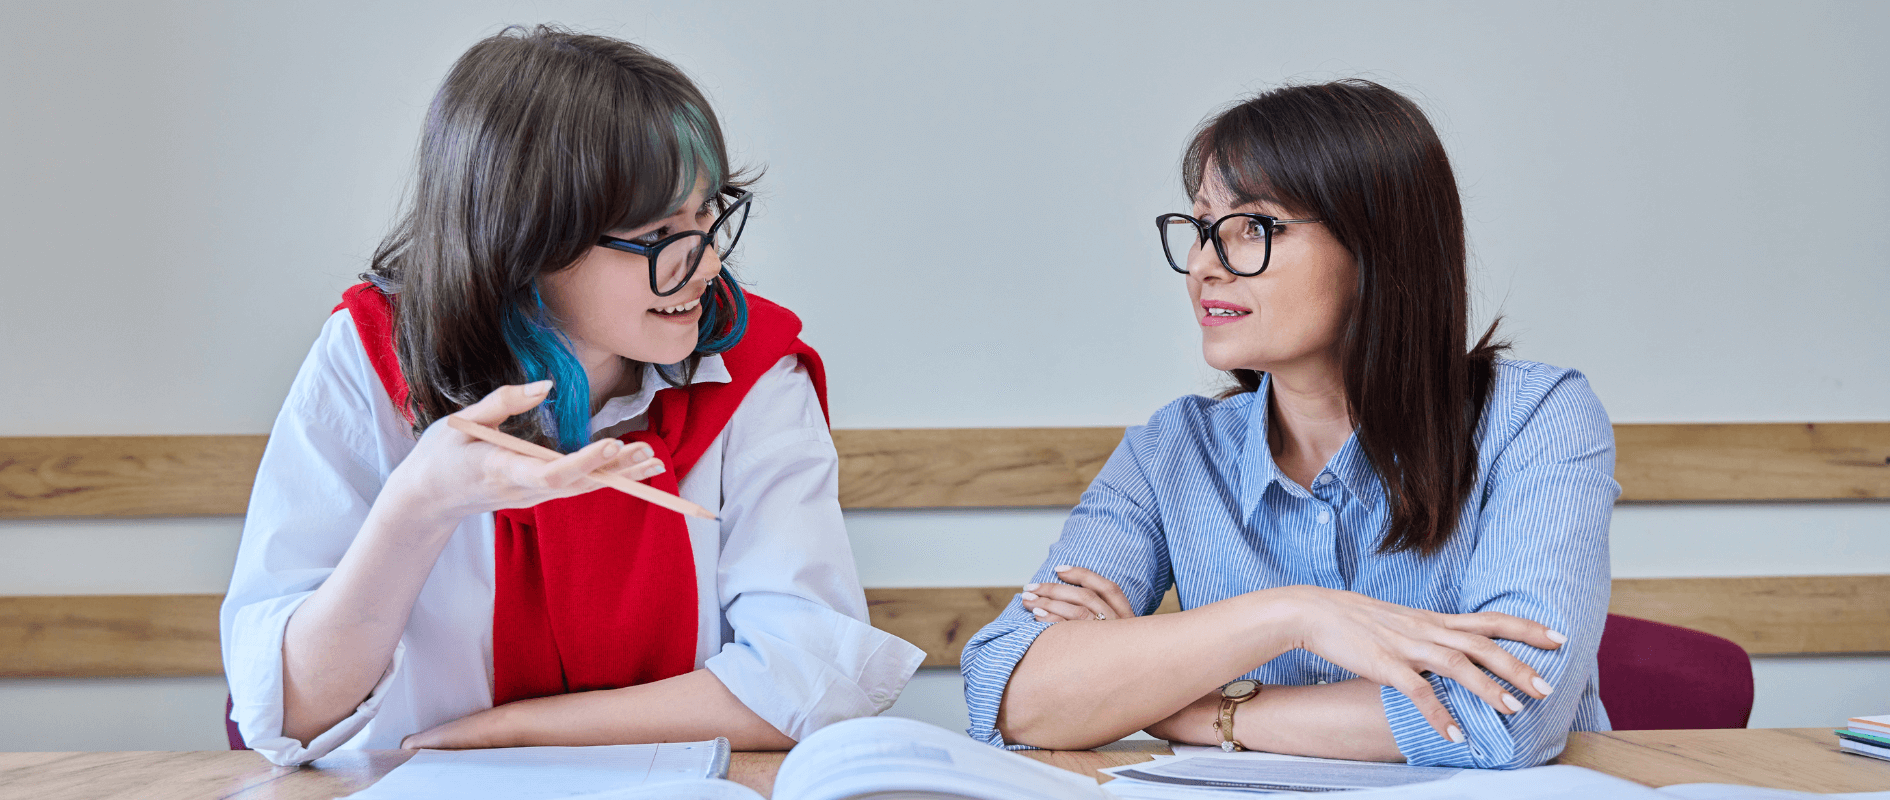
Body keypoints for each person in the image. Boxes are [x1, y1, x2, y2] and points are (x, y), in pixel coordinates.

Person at [220, 26, 922, 767]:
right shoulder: (372, 356)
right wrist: (421, 502)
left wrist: (517, 732)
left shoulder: (753, 372)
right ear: (526, 241)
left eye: (709, 216)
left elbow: (811, 679)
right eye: (659, 234)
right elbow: (287, 712)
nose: (708, 262)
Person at [960, 80, 1617, 769]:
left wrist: (1191, 706)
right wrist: (1295, 614)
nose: (1205, 265)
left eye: (1255, 228)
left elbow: (1508, 715)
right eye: (1203, 228)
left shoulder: (1535, 418)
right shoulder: (1171, 452)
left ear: (1376, 251)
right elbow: (1010, 695)